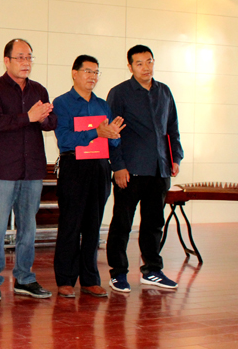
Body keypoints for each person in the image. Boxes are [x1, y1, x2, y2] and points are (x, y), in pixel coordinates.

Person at [0, 38, 57, 301]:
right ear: (7, 60)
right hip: (3, 169)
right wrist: (29, 117)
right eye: (20, 57)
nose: (26, 63)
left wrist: (44, 117)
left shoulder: (39, 90)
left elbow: (50, 123)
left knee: (28, 227)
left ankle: (24, 278)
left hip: (33, 169)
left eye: (29, 57)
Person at [106, 45, 183, 292]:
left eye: (149, 61)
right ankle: (118, 273)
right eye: (139, 63)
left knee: (154, 224)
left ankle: (152, 270)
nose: (146, 67)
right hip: (130, 171)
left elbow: (172, 128)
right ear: (130, 66)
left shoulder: (164, 91)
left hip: (159, 169)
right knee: (122, 224)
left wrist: (175, 158)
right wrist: (118, 166)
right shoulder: (119, 93)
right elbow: (112, 133)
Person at [52, 55, 124, 299]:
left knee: (94, 225)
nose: (92, 76)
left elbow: (113, 143)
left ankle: (90, 279)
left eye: (96, 72)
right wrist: (96, 132)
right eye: (88, 71)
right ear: (74, 73)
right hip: (74, 166)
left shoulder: (102, 105)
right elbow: (64, 138)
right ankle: (65, 279)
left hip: (100, 167)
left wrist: (114, 135)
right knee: (70, 224)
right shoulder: (62, 102)